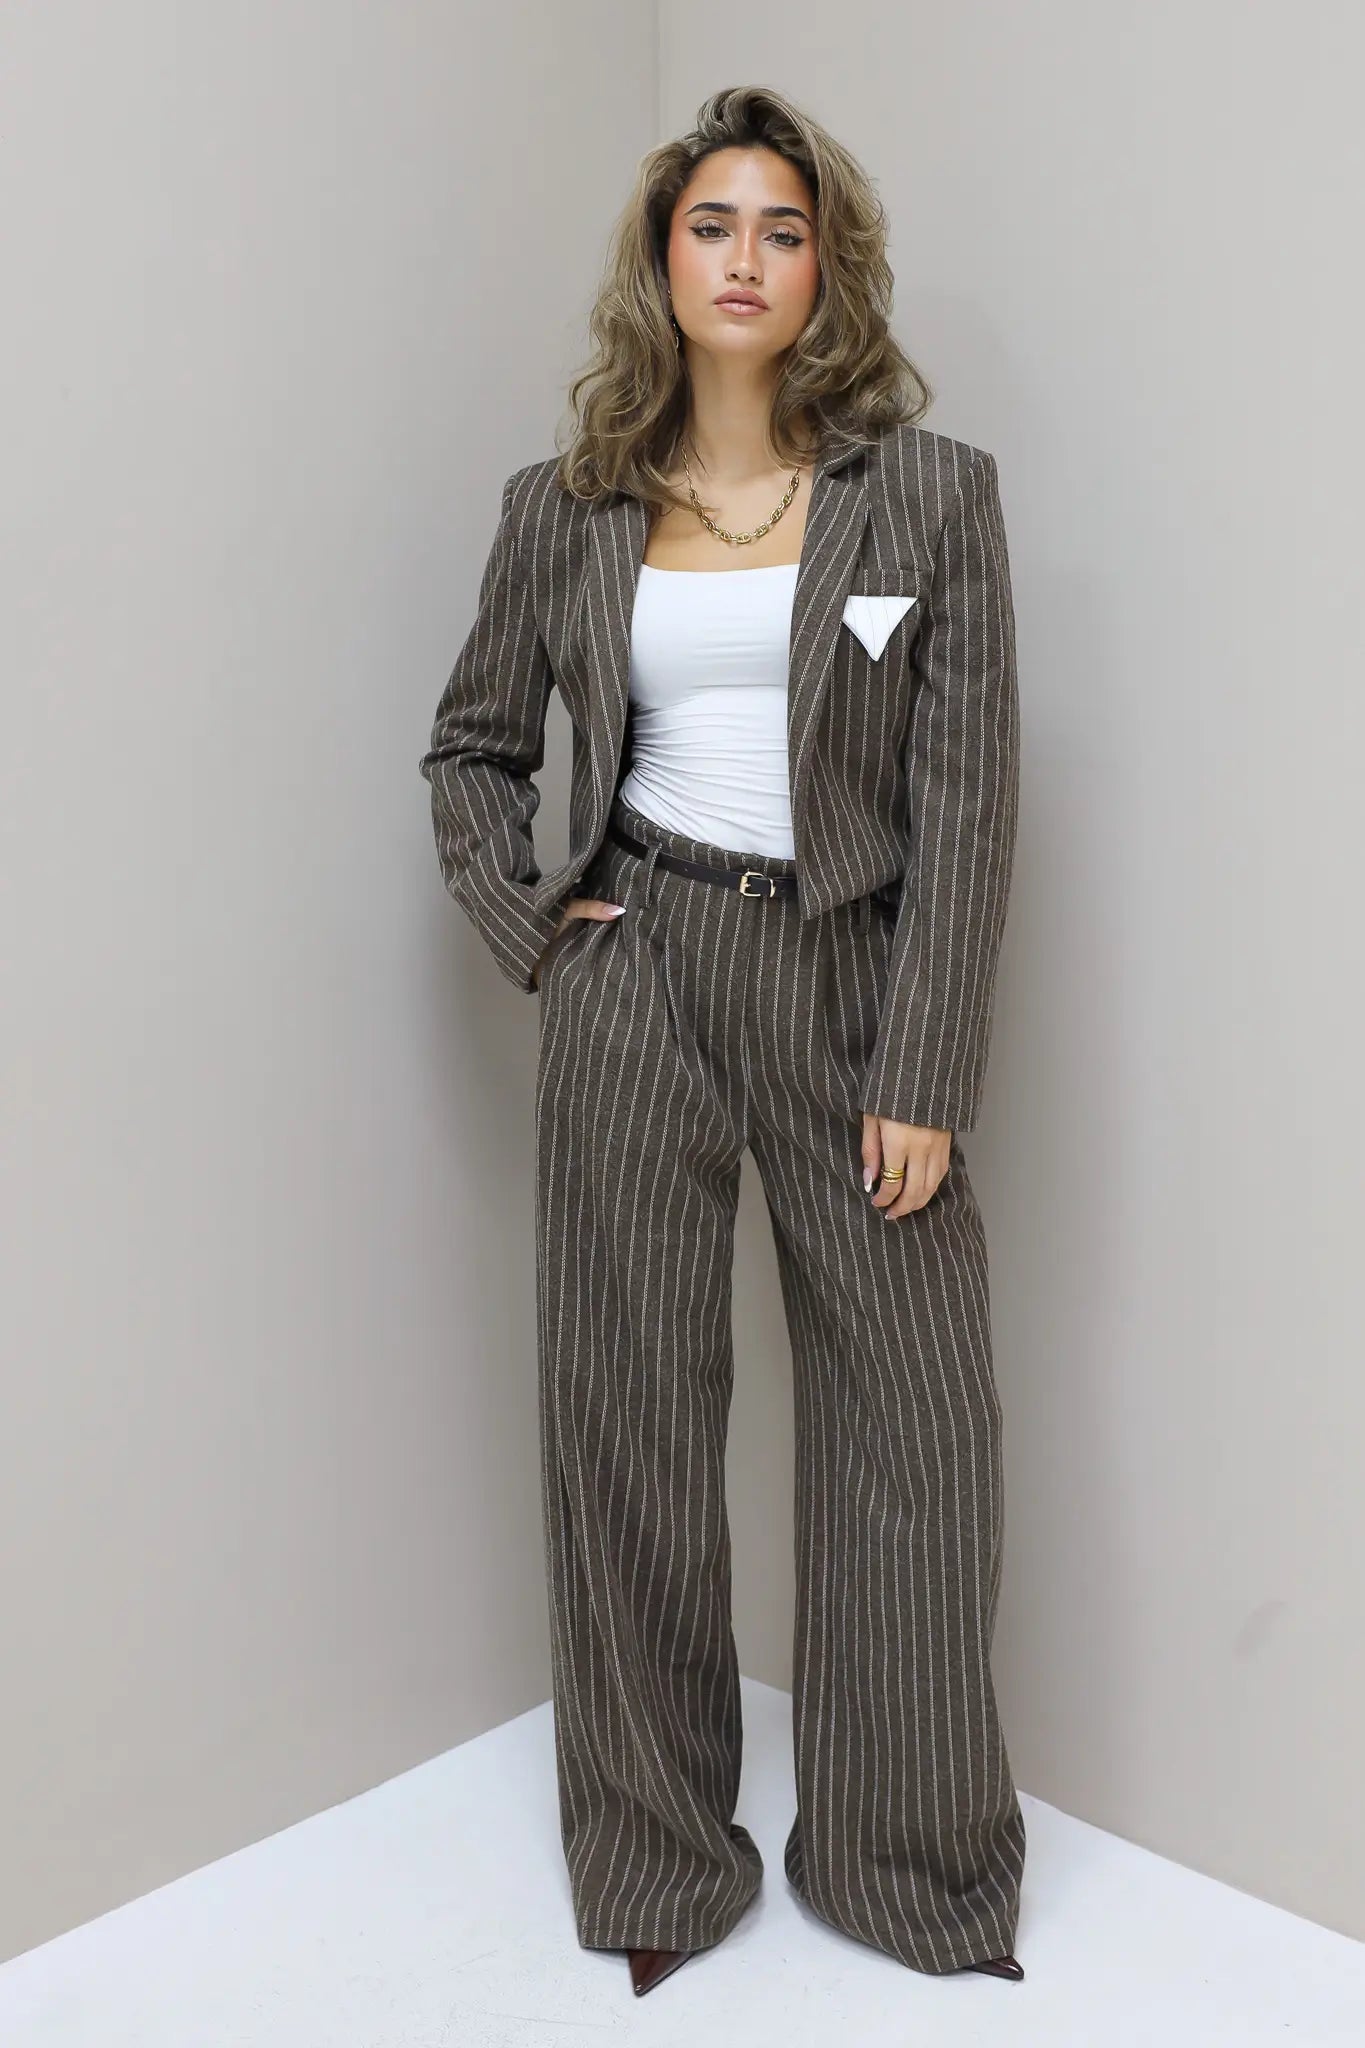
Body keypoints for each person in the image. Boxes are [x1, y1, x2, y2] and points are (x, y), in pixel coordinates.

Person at [419, 84, 1026, 1999]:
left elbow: (966, 802)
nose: (743, 259)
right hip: (640, 974)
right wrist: (537, 927)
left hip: (848, 989)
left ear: (824, 265)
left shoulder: (926, 496)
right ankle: (659, 1862)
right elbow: (473, 750)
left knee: (916, 1432)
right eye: (710, 227)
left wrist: (924, 1069)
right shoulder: (564, 509)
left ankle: (907, 1864)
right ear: (661, 261)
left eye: (780, 228)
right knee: (627, 1427)